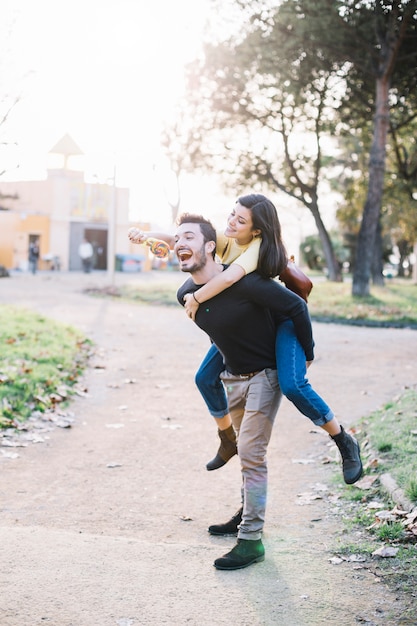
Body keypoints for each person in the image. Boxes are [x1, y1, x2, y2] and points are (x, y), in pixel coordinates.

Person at [128, 195, 363, 487]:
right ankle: (228, 438)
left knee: (293, 385)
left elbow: (230, 280)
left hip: (281, 317)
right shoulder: (226, 239)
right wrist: (148, 236)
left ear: (256, 230)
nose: (231, 222)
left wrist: (196, 297)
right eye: (232, 215)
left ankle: (342, 440)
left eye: (241, 220)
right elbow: (185, 239)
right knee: (204, 378)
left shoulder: (255, 248)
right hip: (249, 318)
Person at [173, 213, 362, 570]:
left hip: (266, 375)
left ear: (210, 246)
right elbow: (221, 335)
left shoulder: (248, 283)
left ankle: (251, 541)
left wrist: (305, 354)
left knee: (251, 454)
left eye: (190, 237)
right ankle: (246, 514)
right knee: (247, 453)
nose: (180, 243)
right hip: (235, 377)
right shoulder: (185, 294)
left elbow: (295, 307)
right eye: (177, 238)